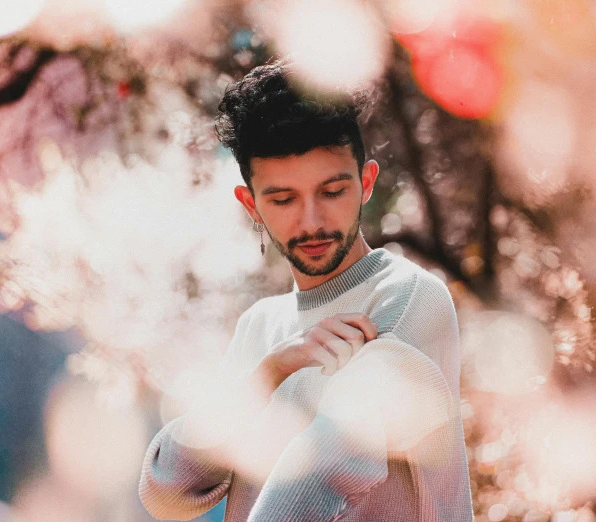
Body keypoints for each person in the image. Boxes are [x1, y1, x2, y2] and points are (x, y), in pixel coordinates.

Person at [138, 60, 474, 522]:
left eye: (332, 191)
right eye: (283, 199)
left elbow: (337, 456)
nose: (311, 221)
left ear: (366, 183)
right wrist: (270, 372)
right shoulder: (260, 328)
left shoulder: (410, 297)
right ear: (251, 204)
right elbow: (168, 491)